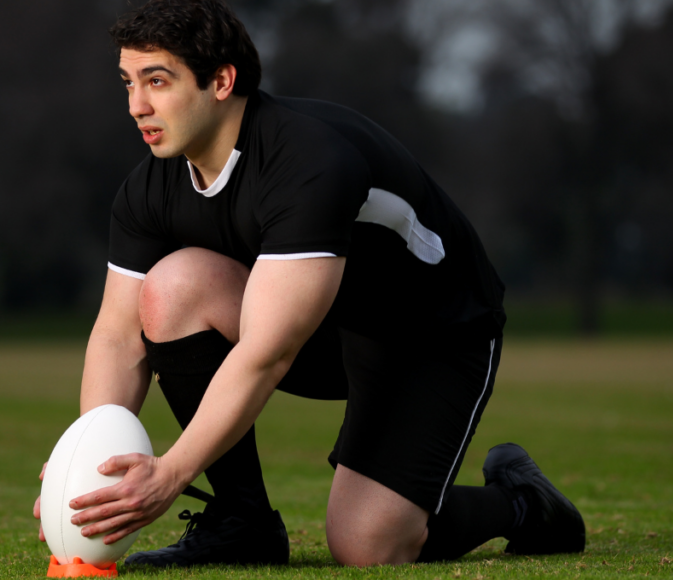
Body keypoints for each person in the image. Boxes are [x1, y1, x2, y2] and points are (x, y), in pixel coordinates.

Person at [33, 0, 585, 567]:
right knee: (174, 287)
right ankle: (240, 524)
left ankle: (520, 503)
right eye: (127, 82)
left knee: (368, 545)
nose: (137, 105)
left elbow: (268, 354)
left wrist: (170, 473)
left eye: (157, 81)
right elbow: (117, 336)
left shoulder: (309, 161)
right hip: (328, 328)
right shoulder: (149, 189)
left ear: (221, 81)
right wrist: (83, 459)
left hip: (432, 335)